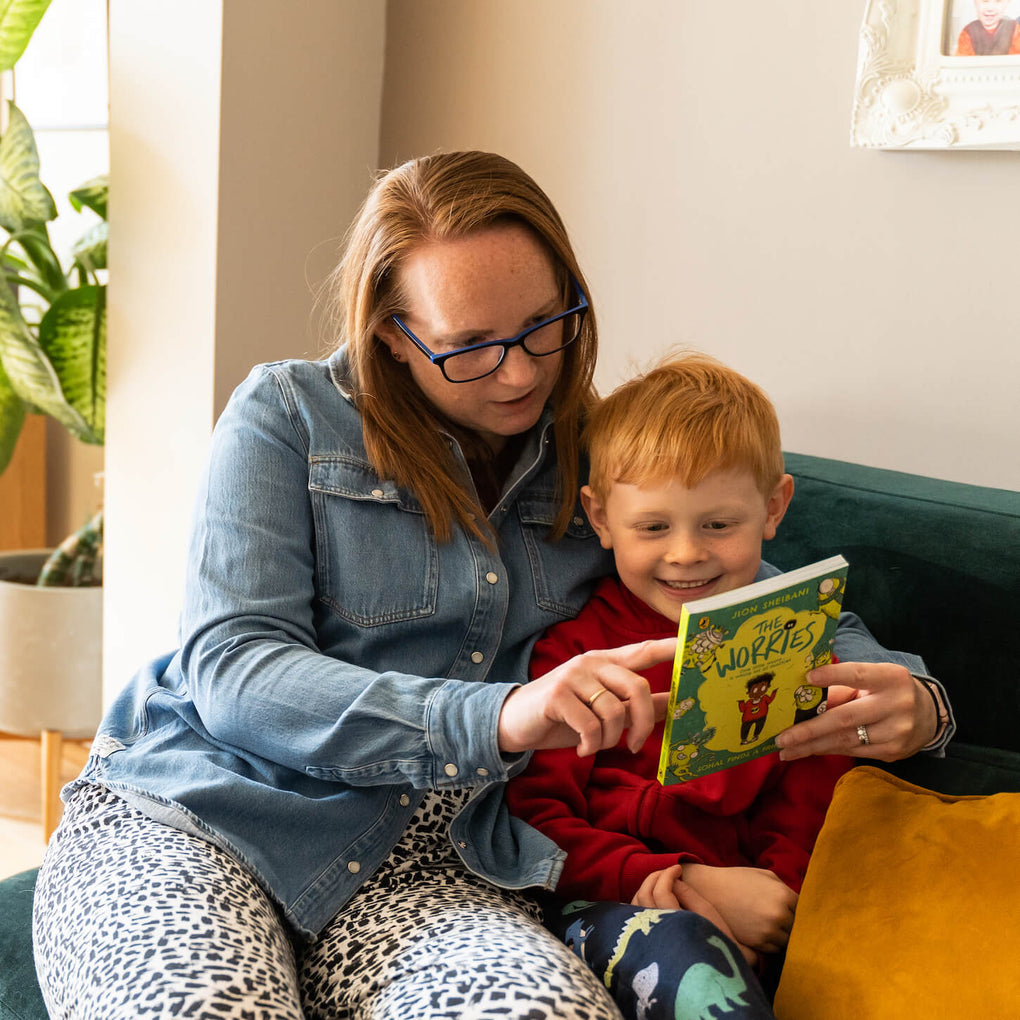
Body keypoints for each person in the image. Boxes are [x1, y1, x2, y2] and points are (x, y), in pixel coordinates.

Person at [31, 152, 951, 1020]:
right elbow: (233, 669)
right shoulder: (287, 418)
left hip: (443, 863)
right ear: (392, 336)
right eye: (468, 346)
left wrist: (912, 698)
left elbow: (746, 593)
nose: (519, 372)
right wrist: (503, 716)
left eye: (543, 327)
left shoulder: (599, 459)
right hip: (206, 814)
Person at [505, 353, 954, 1018]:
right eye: (653, 527)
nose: (686, 552)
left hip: (770, 912)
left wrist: (779, 903)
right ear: (600, 519)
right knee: (693, 967)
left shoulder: (795, 638)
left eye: (718, 524)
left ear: (774, 508)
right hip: (613, 902)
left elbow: (812, 787)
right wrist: (671, 883)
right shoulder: (577, 654)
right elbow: (536, 820)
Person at [955, 0, 1020, 55]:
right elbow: (963, 63)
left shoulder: (1014, 29)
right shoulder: (968, 32)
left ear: (1007, 3)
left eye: (998, 1)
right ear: (975, 2)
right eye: (985, 1)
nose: (990, 8)